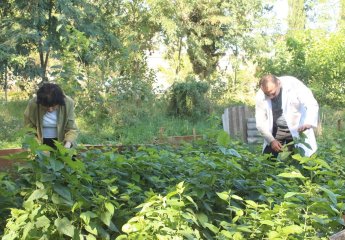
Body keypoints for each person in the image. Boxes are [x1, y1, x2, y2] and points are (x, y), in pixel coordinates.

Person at [255, 74, 319, 157]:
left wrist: (308, 122)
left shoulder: (293, 84)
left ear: (279, 83)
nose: (270, 97)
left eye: (273, 93)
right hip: (276, 130)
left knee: (299, 160)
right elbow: (260, 122)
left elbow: (311, 104)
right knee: (267, 161)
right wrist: (271, 141)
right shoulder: (260, 95)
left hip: (297, 129)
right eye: (267, 95)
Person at [24, 83, 78, 149]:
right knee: (41, 158)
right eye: (46, 107)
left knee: (66, 158)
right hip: (40, 142)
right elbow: (29, 129)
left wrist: (67, 144)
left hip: (63, 142)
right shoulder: (33, 104)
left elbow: (71, 128)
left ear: (59, 102)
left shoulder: (68, 103)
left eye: (53, 106)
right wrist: (37, 146)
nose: (50, 110)